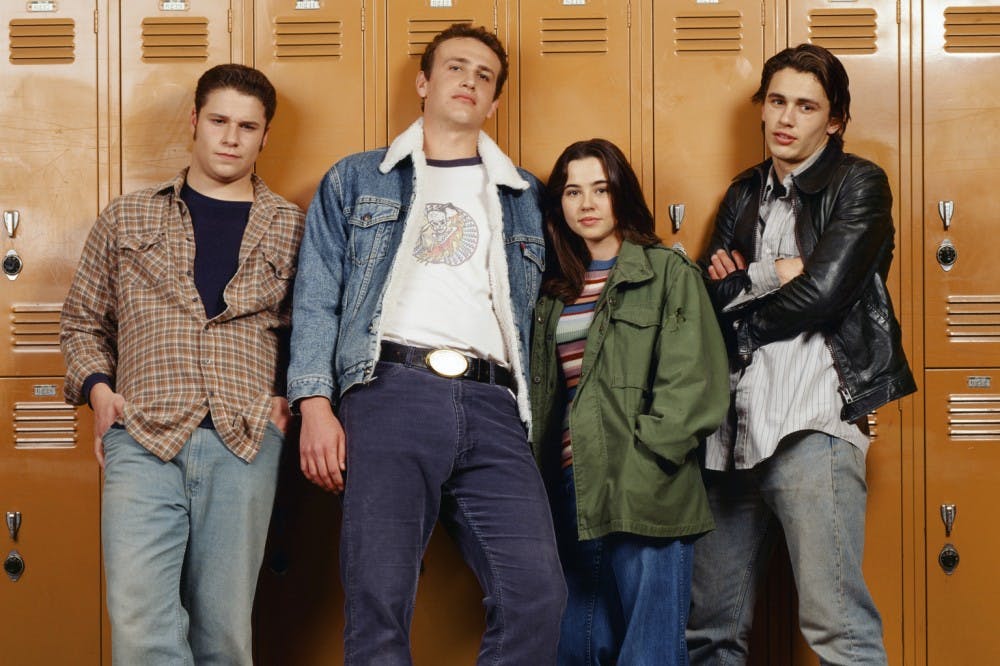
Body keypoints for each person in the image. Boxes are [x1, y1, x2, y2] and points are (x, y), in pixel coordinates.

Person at [286, 23, 566, 665]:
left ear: (494, 101)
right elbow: (317, 299)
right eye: (455, 68)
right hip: (389, 393)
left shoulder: (524, 195)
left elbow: (573, 280)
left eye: (484, 76)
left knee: (538, 595)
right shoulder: (357, 179)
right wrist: (315, 404)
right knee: (378, 602)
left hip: (496, 405)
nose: (469, 81)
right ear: (424, 82)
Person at [60, 64, 304, 665]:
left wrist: (288, 398)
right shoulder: (128, 216)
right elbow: (82, 321)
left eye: (247, 126)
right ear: (194, 120)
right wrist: (98, 392)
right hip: (142, 436)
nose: (230, 137)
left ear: (264, 136)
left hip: (245, 440)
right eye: (219, 120)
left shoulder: (293, 228)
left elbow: (316, 329)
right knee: (142, 628)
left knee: (223, 633)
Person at [686, 44, 917, 665]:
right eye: (777, 102)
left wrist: (751, 290)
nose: (786, 118)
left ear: (834, 120)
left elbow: (824, 294)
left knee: (838, 630)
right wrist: (775, 271)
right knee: (709, 633)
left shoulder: (859, 184)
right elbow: (709, 294)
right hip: (729, 435)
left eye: (806, 106)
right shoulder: (742, 193)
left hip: (811, 429)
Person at [530, 138, 730, 665]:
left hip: (645, 484)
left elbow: (696, 383)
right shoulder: (554, 293)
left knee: (650, 652)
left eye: (600, 188)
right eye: (573, 191)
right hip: (571, 488)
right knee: (577, 644)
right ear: (560, 205)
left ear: (622, 194)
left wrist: (647, 457)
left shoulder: (666, 272)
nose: (587, 203)